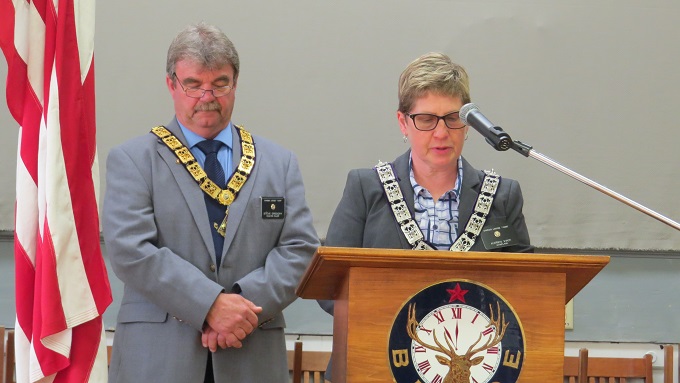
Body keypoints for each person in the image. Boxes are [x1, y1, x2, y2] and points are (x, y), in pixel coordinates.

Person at [103, 22, 319, 382]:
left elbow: (299, 250)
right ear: (171, 84)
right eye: (193, 84)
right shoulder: (133, 159)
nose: (207, 97)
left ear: (235, 84)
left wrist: (238, 308)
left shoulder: (279, 163)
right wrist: (210, 306)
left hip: (250, 354)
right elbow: (132, 250)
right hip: (157, 359)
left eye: (220, 83)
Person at [319, 52, 533, 318]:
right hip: (379, 349)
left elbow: (528, 290)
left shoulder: (502, 195)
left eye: (453, 118)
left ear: (468, 125)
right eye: (426, 120)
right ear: (403, 123)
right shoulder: (365, 188)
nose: (441, 133)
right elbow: (330, 289)